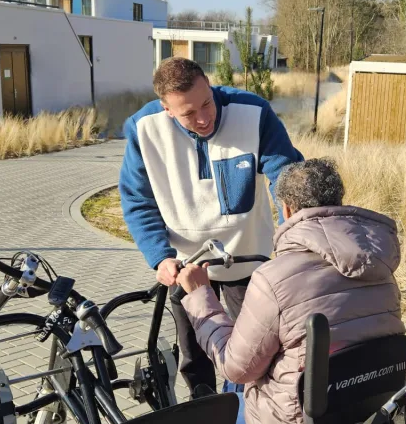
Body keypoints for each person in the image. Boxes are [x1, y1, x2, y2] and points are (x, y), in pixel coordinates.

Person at [176, 158, 406, 424]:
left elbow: (235, 368)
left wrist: (200, 294)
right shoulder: (381, 268)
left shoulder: (274, 278)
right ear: (336, 201)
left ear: (286, 209)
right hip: (367, 423)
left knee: (219, 405)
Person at [119, 57, 303, 397]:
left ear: (210, 84)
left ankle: (255, 418)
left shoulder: (253, 111)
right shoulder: (143, 128)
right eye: (189, 113)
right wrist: (160, 257)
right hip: (186, 264)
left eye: (207, 103)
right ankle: (202, 415)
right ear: (167, 108)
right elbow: (136, 199)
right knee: (195, 354)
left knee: (260, 350)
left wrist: (297, 242)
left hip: (247, 259)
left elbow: (288, 180)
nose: (204, 118)